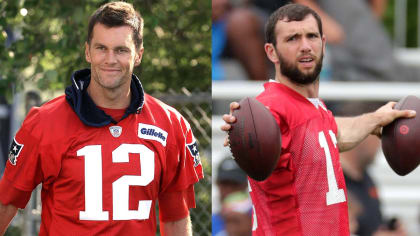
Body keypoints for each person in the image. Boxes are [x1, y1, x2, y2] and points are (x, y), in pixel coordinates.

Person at [0, 2, 203, 235]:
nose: (110, 59)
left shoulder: (170, 125)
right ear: (88, 51)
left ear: (139, 55)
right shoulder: (45, 122)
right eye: (101, 48)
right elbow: (6, 203)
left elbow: (176, 219)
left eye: (121, 50)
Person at [221, 4, 415, 235]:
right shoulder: (271, 107)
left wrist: (376, 119)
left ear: (323, 43)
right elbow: (265, 131)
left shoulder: (314, 108)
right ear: (272, 52)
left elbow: (330, 134)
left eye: (311, 36)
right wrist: (242, 130)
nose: (305, 46)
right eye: (292, 38)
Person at [213, 157, 248, 236]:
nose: (229, 190)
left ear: (245, 185)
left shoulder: (258, 221)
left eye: (235, 184)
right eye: (224, 184)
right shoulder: (212, 221)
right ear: (217, 184)